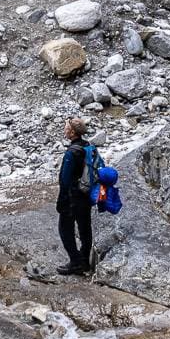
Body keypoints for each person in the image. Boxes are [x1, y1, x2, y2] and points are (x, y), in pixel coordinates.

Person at [56, 117, 93, 275]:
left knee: (65, 229)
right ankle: (85, 260)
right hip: (86, 193)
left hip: (72, 197)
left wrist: (62, 199)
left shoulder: (71, 152)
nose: (64, 129)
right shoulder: (87, 146)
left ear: (71, 132)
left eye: (66, 127)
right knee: (85, 227)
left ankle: (75, 262)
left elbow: (64, 179)